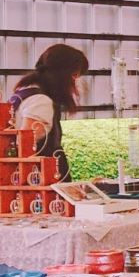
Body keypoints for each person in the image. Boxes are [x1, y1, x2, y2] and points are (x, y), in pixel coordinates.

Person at [11, 43, 88, 180]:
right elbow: (25, 147)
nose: (76, 84)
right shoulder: (41, 102)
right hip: (41, 184)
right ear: (63, 75)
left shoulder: (24, 93)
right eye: (75, 75)